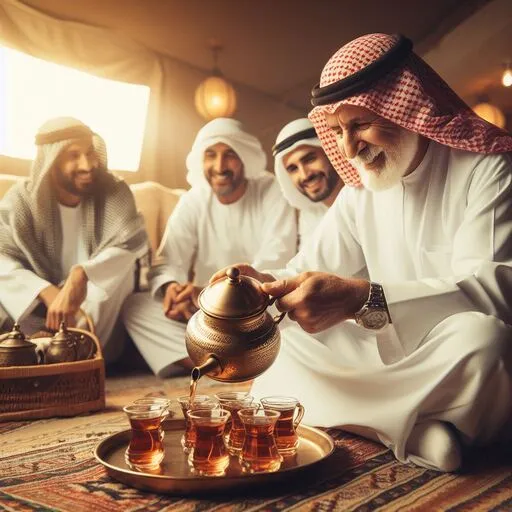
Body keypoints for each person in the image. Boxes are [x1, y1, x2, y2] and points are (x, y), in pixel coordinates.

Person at [211, 33, 512, 472]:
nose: (349, 150)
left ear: (407, 108)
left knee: (489, 344)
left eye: (361, 124)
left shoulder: (488, 169)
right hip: (387, 346)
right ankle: (415, 427)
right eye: (337, 132)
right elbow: (305, 272)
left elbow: (494, 294)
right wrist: (260, 282)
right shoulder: (361, 189)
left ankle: (379, 420)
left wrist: (362, 297)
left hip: (451, 348)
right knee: (288, 334)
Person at [122, 118, 297, 377]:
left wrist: (211, 294)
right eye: (210, 155)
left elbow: (275, 259)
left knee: (290, 320)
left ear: (245, 158)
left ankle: (223, 363)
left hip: (257, 309)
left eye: (229, 155)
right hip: (204, 313)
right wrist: (172, 288)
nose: (219, 166)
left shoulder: (271, 189)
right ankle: (234, 365)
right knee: (136, 307)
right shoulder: (194, 200)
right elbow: (168, 260)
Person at [0, 117, 148, 361]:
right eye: (73, 155)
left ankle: (72, 351)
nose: (88, 164)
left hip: (93, 315)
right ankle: (41, 346)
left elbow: (130, 244)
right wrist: (47, 292)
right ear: (51, 160)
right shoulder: (21, 200)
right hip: (36, 311)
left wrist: (81, 275)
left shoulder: (114, 191)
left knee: (124, 265)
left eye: (90, 152)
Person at [272, 118, 343, 249]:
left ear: (331, 153)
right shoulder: (310, 215)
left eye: (310, 159)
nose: (305, 175)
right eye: (293, 169)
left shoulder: (361, 198)